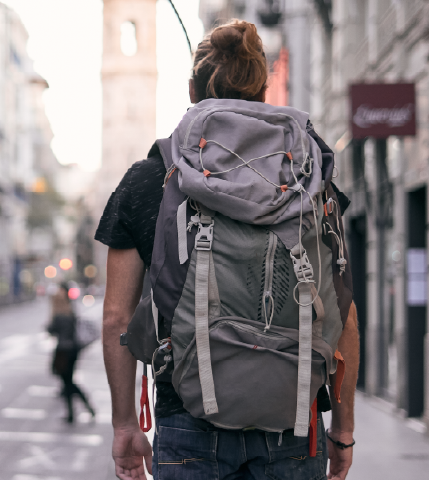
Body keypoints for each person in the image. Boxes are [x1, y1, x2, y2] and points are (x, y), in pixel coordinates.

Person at [96, 20, 359, 480]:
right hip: (294, 424)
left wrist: (124, 425)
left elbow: (117, 318)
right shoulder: (311, 179)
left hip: (188, 420)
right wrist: (343, 428)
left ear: (192, 90)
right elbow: (343, 312)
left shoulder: (151, 177)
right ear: (263, 88)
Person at [46, 282, 97, 424]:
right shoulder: (70, 312)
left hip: (63, 351)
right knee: (68, 382)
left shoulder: (58, 315)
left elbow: (51, 330)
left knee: (68, 382)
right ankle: (73, 413)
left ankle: (85, 408)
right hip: (73, 350)